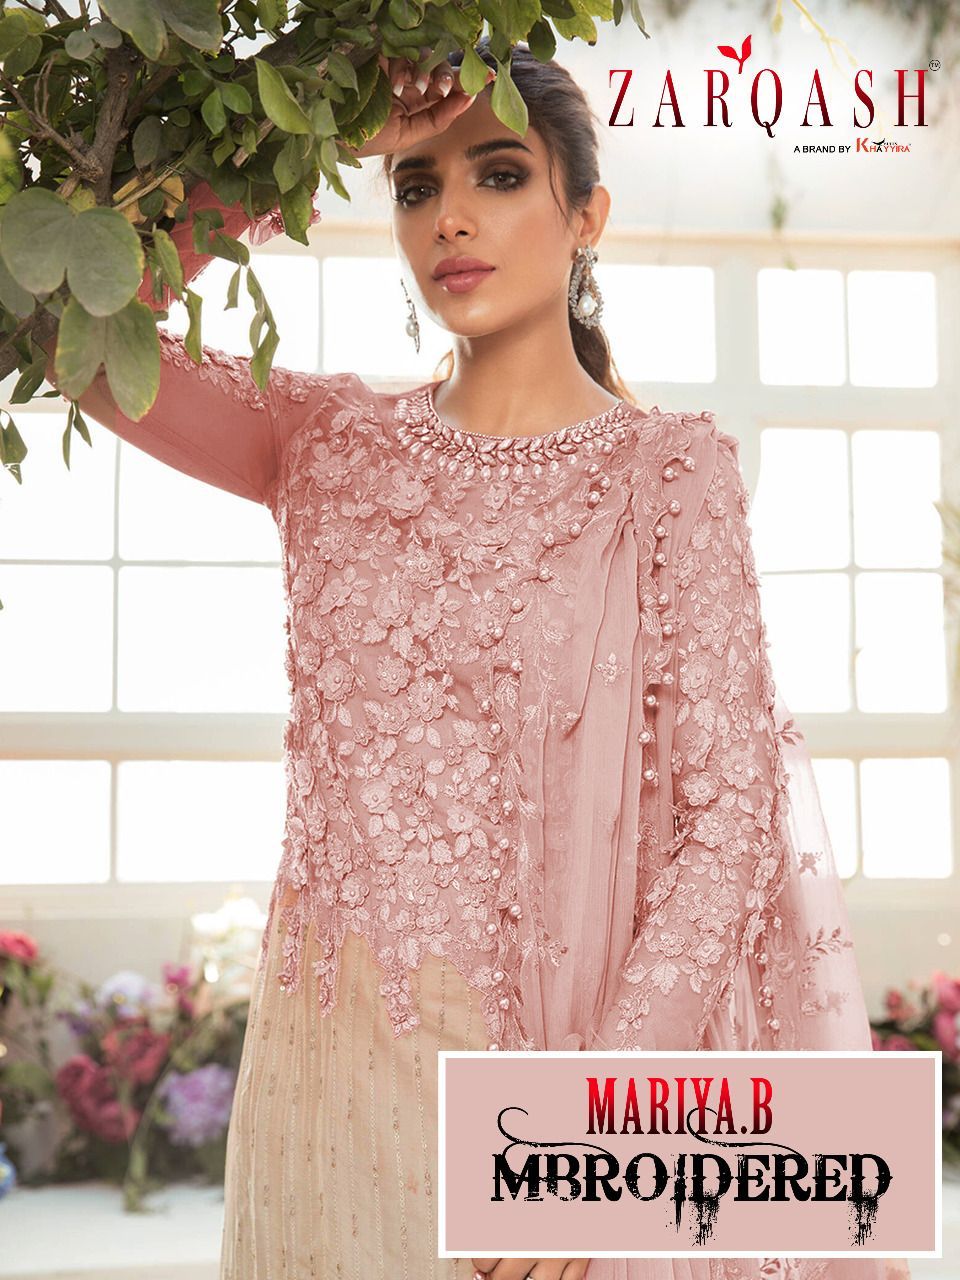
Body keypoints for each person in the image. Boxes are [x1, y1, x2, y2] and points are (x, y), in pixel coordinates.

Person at [39, 36, 913, 1280]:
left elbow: (731, 823)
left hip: (569, 1075)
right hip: (337, 1082)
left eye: (499, 174)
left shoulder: (668, 471)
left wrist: (598, 1147)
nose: (450, 215)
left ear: (586, 215)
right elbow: (70, 316)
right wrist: (309, 140)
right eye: (414, 184)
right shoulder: (321, 440)